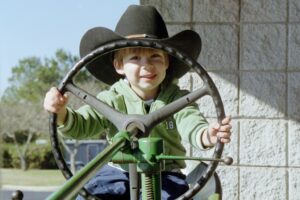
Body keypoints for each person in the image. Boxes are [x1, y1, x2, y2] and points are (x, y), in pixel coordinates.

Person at [43, 4, 232, 200]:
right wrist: (61, 113)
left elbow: (190, 123)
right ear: (119, 65)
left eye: (155, 56)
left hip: (165, 174)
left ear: (167, 62)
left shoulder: (177, 99)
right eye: (135, 57)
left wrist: (207, 135)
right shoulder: (111, 99)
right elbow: (83, 124)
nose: (147, 65)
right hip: (116, 173)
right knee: (88, 194)